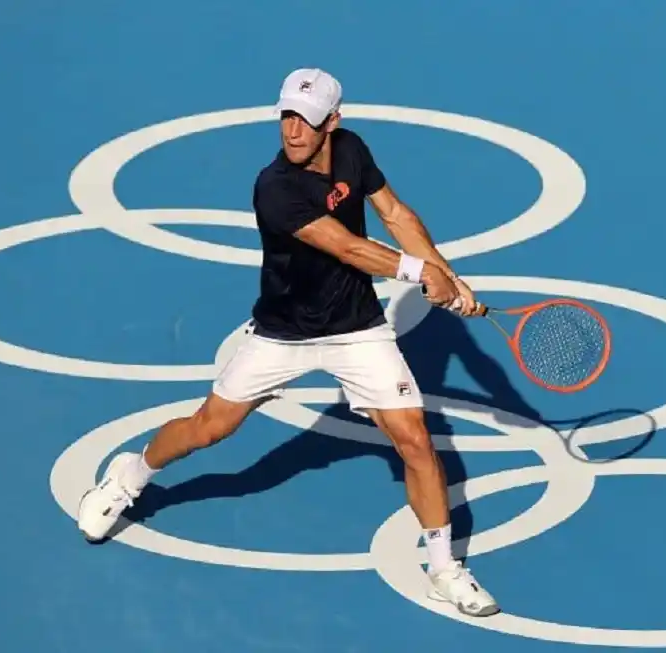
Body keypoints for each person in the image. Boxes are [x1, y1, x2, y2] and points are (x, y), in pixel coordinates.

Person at [76, 68, 500, 618]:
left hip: (356, 328)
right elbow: (348, 248)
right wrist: (424, 274)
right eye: (287, 116)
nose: (293, 130)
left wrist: (449, 275)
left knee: (415, 439)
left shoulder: (352, 150)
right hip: (283, 334)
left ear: (333, 122)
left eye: (307, 119)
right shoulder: (275, 187)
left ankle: (443, 569)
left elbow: (395, 214)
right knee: (210, 427)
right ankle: (128, 477)